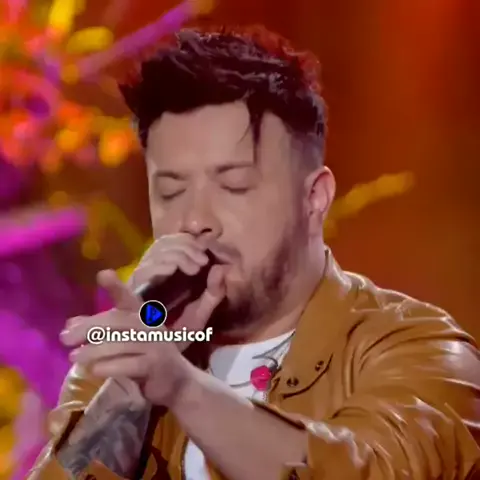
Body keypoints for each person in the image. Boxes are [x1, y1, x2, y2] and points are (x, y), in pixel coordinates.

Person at [28, 26, 480, 480]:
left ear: (314, 198)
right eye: (170, 191)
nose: (195, 219)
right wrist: (129, 388)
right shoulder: (132, 356)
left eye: (234, 185)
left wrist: (183, 389)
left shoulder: (423, 351)